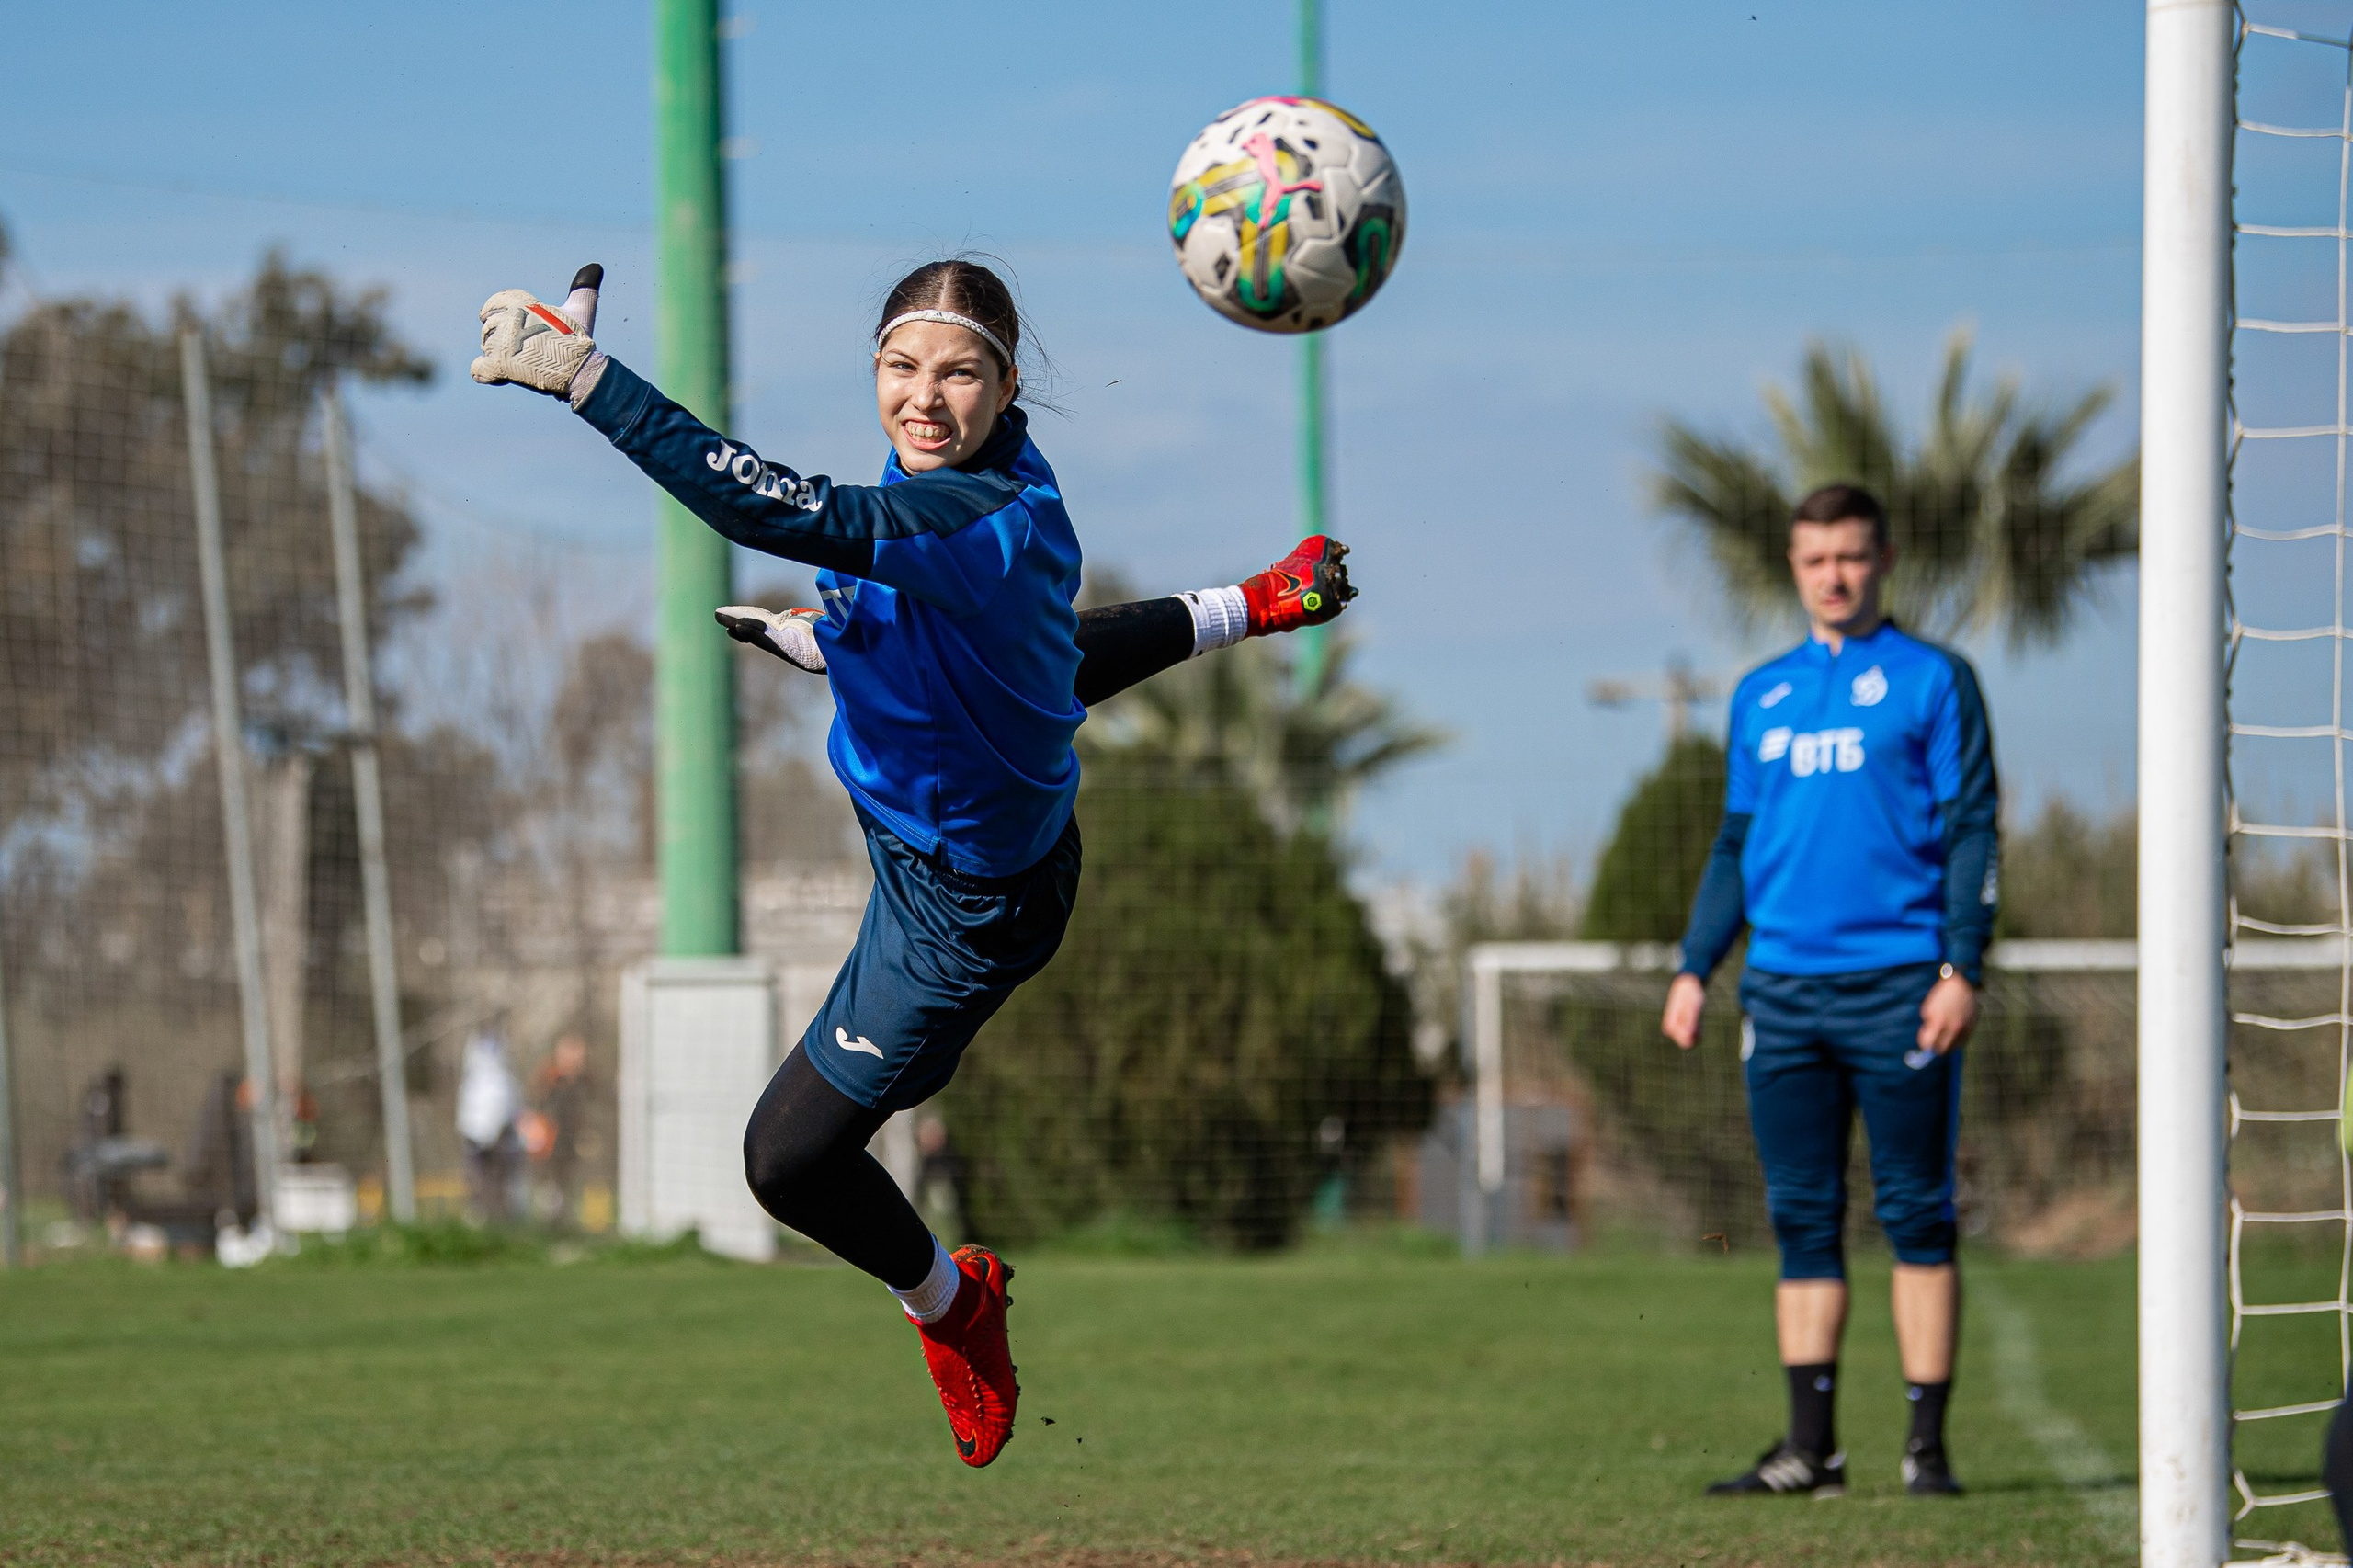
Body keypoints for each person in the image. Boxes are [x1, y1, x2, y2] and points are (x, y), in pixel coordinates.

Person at [471, 256, 1353, 1467]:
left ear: (1006, 384)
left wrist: (587, 379)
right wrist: (1250, 603)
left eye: (958, 373)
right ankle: (945, 1278)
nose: (923, 397)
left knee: (786, 1162)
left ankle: (957, 1307)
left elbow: (772, 510)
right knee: (829, 1134)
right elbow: (1057, 668)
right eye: (901, 367)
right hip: (938, 855)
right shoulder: (983, 487)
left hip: (965, 908)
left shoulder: (978, 520)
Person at [1660, 482, 1998, 1499]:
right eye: (1815, 560)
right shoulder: (1759, 693)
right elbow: (1735, 841)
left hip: (1902, 987)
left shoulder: (1934, 679)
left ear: (1882, 558)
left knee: (1915, 1214)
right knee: (1802, 1218)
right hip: (1784, 994)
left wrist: (1961, 966)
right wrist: (1693, 964)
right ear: (1794, 566)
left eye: (1850, 556)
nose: (1834, 576)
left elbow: (1974, 825)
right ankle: (1811, 1452)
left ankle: (1925, 1454)